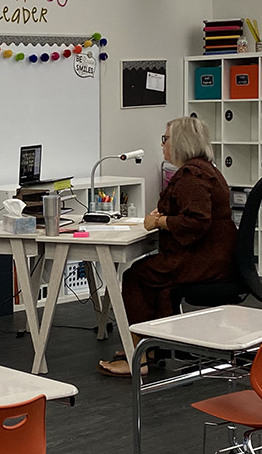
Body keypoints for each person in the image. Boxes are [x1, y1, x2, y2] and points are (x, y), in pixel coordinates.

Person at [96, 117, 238, 377]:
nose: (162, 145)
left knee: (136, 277)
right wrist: (166, 217)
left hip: (204, 260)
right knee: (158, 280)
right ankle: (150, 347)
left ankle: (137, 358)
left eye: (165, 139)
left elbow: (197, 221)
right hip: (215, 256)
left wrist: (161, 221)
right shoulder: (205, 170)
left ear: (180, 142)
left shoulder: (191, 176)